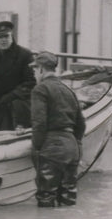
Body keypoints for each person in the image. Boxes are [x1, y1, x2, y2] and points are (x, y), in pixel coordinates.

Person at [29, 51, 86, 208]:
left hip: (52, 147)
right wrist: (78, 147)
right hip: (72, 147)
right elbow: (81, 124)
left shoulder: (40, 89)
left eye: (34, 69)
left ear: (40, 69)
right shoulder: (69, 91)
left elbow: (39, 123)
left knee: (46, 198)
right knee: (68, 199)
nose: (34, 73)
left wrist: (37, 148)